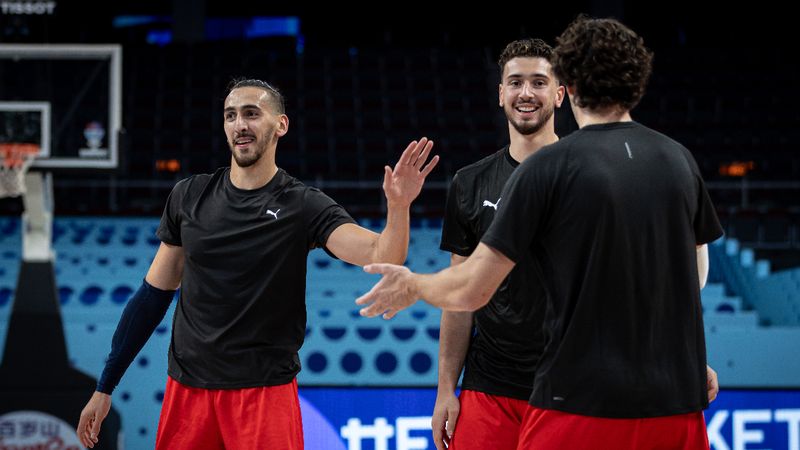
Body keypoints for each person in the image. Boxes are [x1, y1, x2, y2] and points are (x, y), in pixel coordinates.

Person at [357, 16, 722, 450]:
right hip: (672, 400)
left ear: (567, 87)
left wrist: (415, 284)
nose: (527, 93)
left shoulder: (551, 167)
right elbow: (692, 280)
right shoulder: (678, 160)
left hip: (578, 400)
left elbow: (473, 288)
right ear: (637, 80)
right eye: (515, 83)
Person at [77, 78, 439, 449]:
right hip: (188, 393)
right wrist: (106, 385)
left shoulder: (302, 204)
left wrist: (398, 207)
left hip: (264, 393)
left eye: (252, 114)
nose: (240, 125)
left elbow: (383, 255)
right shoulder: (189, 195)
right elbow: (151, 298)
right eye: (230, 115)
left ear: (280, 125)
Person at [431, 38, 564, 450]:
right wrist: (445, 390)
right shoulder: (469, 183)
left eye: (539, 82)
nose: (526, 93)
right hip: (489, 388)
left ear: (560, 94)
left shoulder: (589, 176)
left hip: (571, 387)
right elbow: (459, 297)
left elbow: (622, 284)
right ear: (500, 93)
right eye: (516, 82)